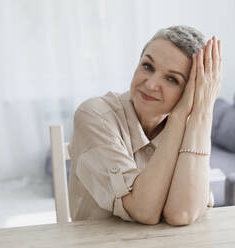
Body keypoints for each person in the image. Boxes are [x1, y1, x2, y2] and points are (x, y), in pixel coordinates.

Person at [68, 25, 222, 226]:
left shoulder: (189, 127)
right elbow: (143, 210)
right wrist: (178, 120)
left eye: (172, 79)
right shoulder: (95, 115)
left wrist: (202, 111)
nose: (150, 84)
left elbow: (182, 214)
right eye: (148, 66)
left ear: (189, 92)